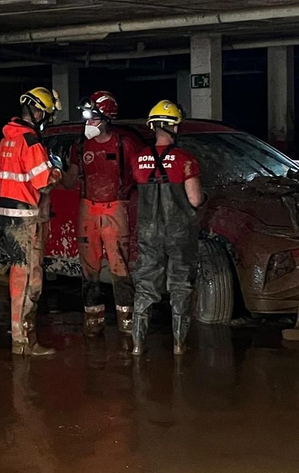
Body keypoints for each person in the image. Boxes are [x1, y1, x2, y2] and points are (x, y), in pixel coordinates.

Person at [128, 101, 205, 357]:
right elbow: (194, 200)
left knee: (145, 286)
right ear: (173, 126)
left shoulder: (139, 159)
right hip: (179, 232)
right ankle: (179, 346)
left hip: (149, 232)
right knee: (180, 286)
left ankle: (138, 346)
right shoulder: (185, 159)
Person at [70, 91, 142, 342]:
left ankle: (127, 323)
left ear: (106, 118)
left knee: (119, 266)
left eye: (92, 117)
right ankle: (93, 322)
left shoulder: (126, 143)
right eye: (87, 118)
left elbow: (140, 176)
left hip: (116, 208)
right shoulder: (79, 146)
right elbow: (71, 179)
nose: (87, 123)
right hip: (88, 208)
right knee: (88, 267)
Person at [0, 86, 61, 357]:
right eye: (44, 114)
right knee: (29, 279)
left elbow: (1, 178)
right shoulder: (30, 141)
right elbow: (43, 181)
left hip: (7, 215)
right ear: (36, 112)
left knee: (19, 273)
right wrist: (56, 169)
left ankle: (20, 338)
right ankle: (23, 342)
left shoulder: (5, 139)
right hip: (25, 216)